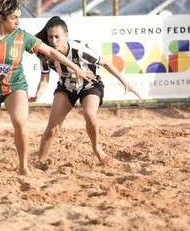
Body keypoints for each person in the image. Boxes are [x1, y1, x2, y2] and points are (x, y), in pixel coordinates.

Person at [0, 0, 96, 175]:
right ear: (2, 17)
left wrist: (76, 68)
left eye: (19, 17)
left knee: (19, 121)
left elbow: (51, 52)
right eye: (14, 18)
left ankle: (23, 167)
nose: (18, 21)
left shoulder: (22, 37)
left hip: (15, 87)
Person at [29, 16, 141, 164]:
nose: (54, 41)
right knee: (52, 129)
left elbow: (106, 62)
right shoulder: (46, 54)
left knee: (89, 113)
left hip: (90, 84)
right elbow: (44, 80)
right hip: (67, 86)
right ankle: (40, 162)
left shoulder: (79, 49)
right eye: (50, 37)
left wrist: (125, 82)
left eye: (57, 37)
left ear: (66, 35)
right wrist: (38, 94)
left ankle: (97, 149)